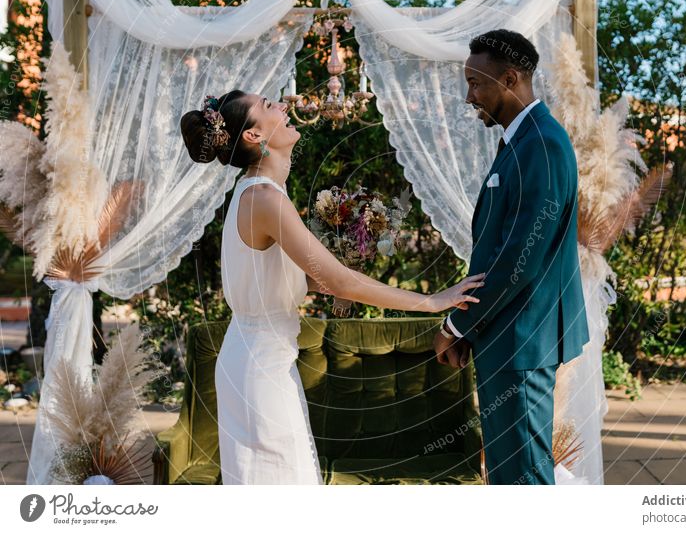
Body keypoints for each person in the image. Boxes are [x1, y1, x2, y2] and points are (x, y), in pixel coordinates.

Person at [180, 91, 485, 485]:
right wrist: (431, 302)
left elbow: (291, 278)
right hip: (260, 370)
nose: (283, 106)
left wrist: (331, 279)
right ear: (255, 136)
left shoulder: (257, 191)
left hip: (260, 362)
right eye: (268, 106)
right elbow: (338, 278)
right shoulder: (262, 198)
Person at [432, 30, 591, 485]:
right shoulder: (522, 142)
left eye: (475, 83)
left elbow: (519, 257)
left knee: (524, 477)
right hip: (505, 334)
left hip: (522, 336)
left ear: (510, 78)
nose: (469, 96)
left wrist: (456, 325)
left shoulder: (542, 145)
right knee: (507, 473)